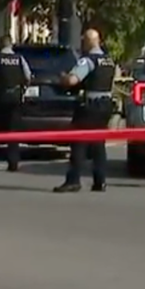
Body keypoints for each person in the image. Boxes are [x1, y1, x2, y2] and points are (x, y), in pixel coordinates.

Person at [54, 28, 117, 193]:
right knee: (98, 144)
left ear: (88, 42)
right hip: (106, 105)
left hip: (91, 105)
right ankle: (100, 181)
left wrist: (63, 78)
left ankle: (73, 180)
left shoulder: (87, 60)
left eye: (83, 41)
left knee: (78, 143)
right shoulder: (109, 61)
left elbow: (73, 80)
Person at [0, 35, 32, 172]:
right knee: (13, 133)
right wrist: (23, 90)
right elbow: (27, 77)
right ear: (11, 45)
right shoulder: (20, 59)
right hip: (15, 99)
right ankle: (13, 163)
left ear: (0, 45)